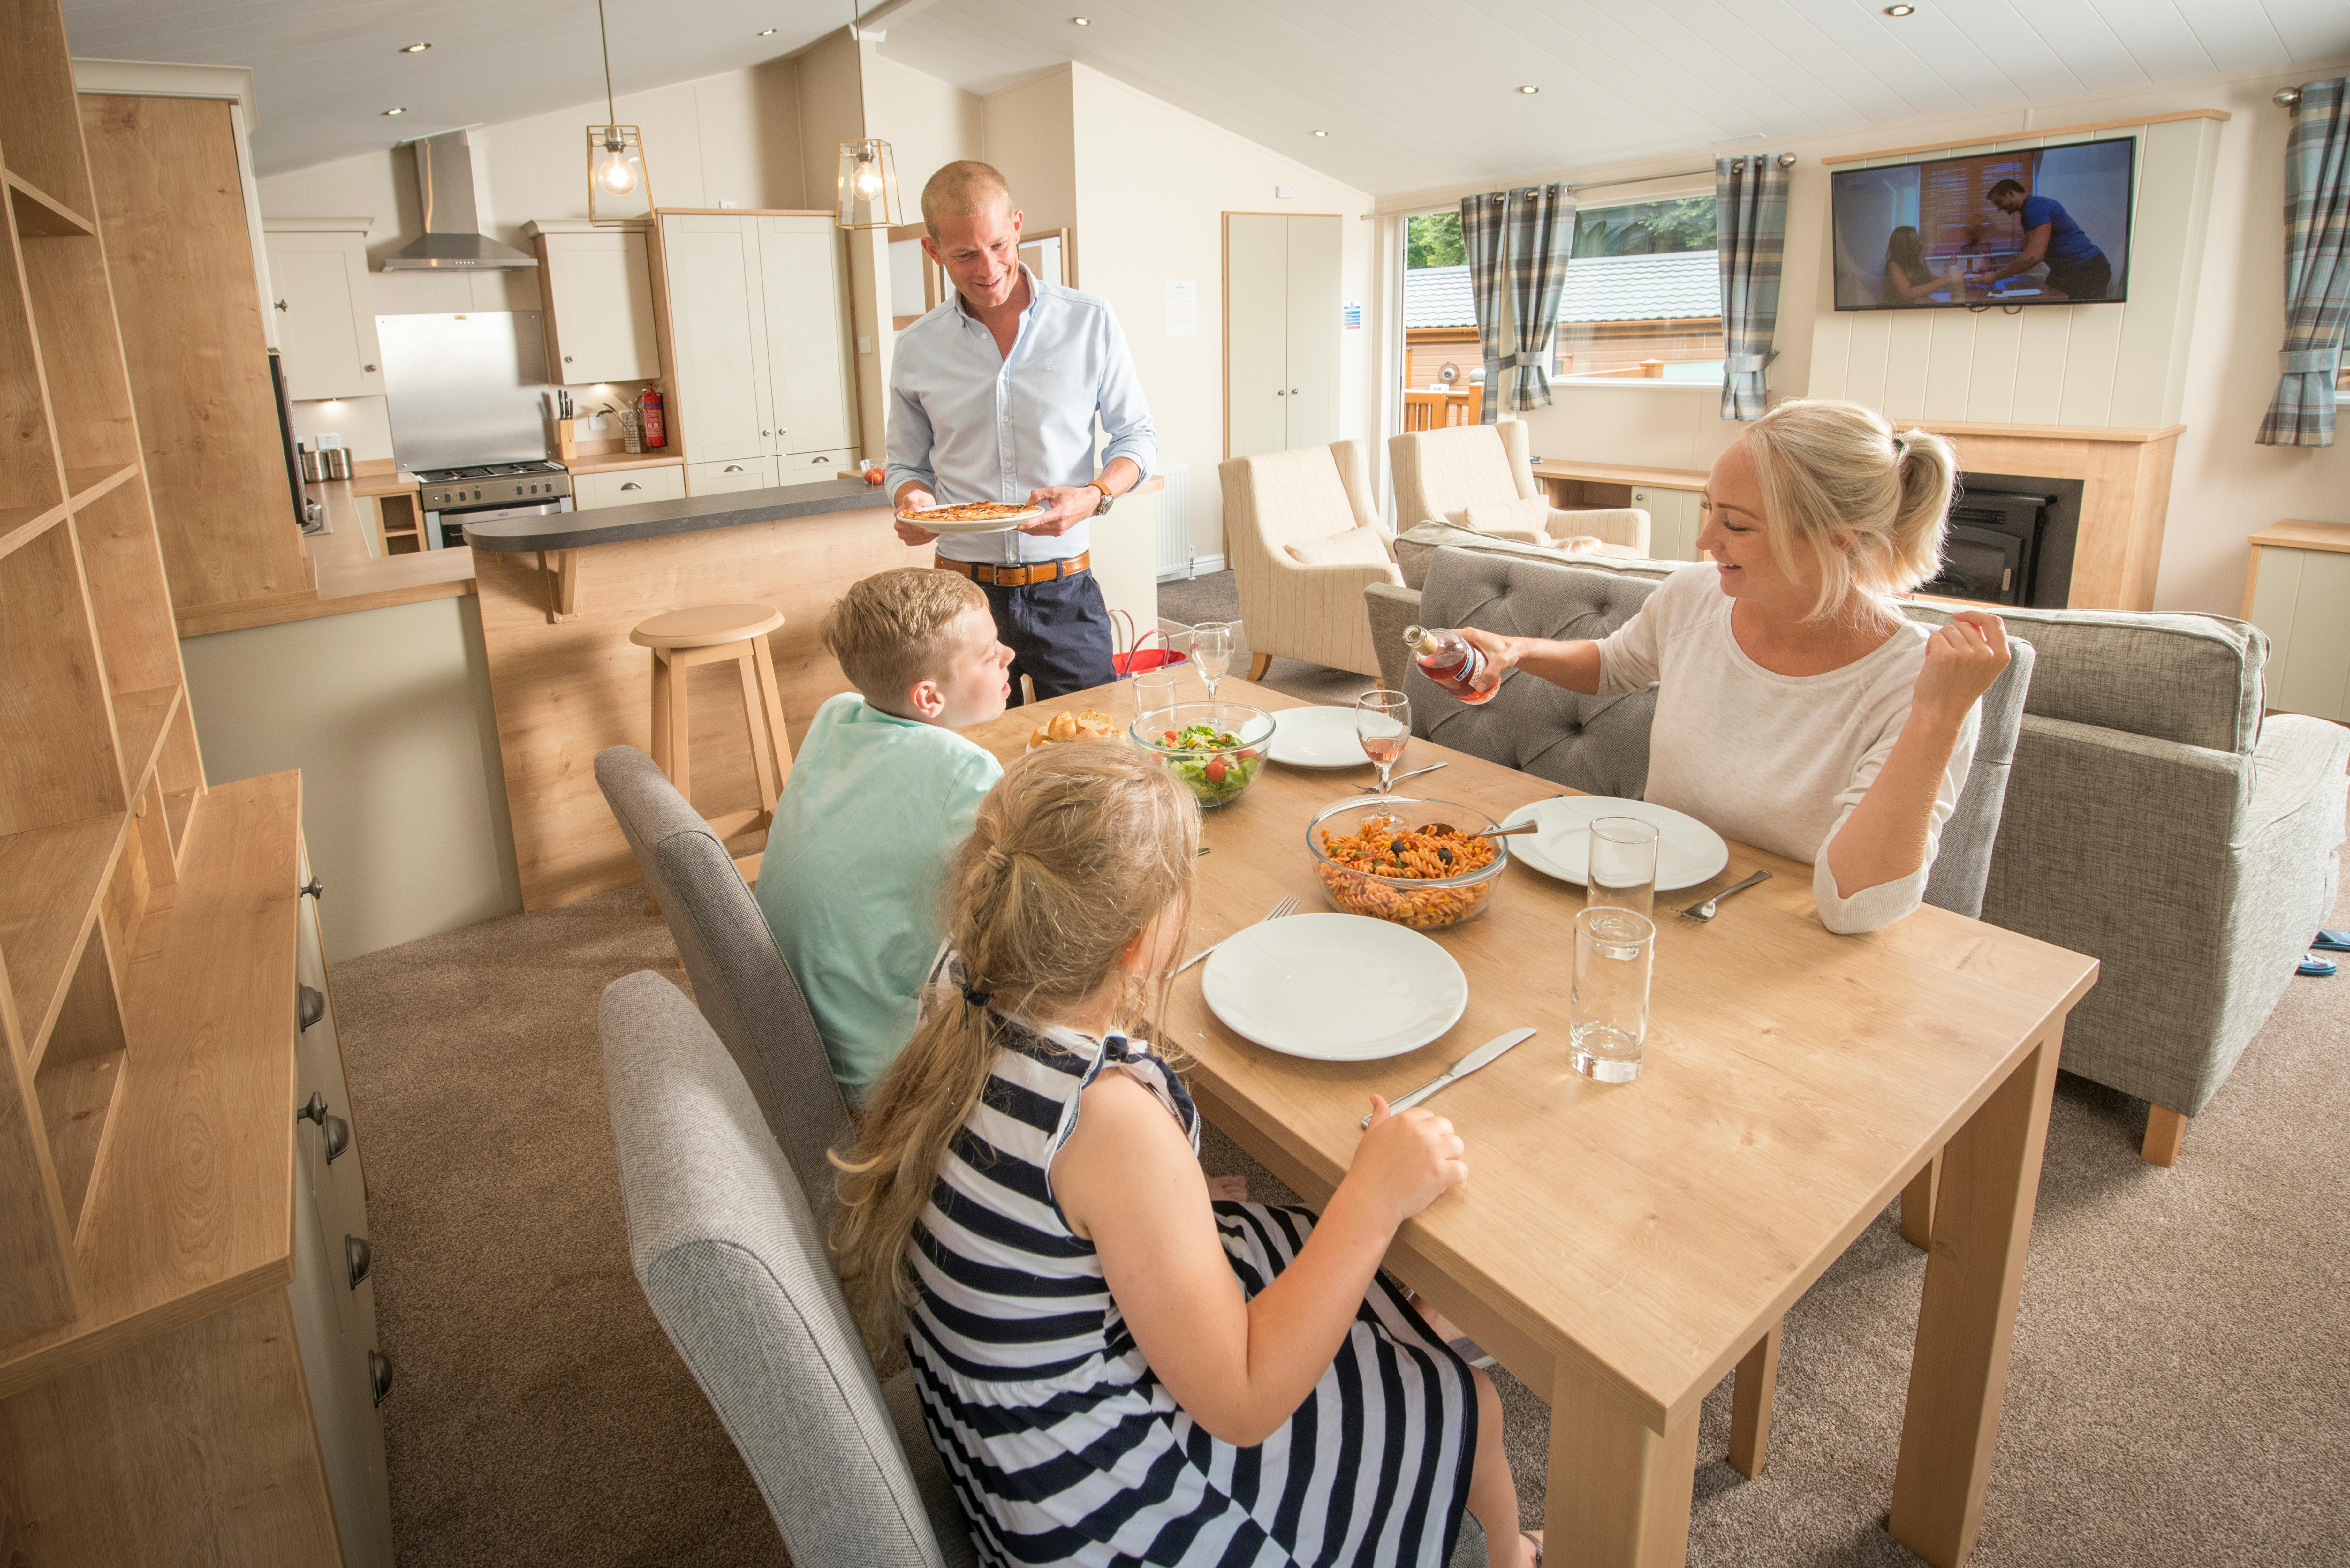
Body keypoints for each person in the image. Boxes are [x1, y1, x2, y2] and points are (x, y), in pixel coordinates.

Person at [830, 744, 1539, 1568]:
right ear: (1138, 944)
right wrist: (1373, 1194)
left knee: (1316, 1260)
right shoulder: (1104, 1121)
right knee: (1465, 1399)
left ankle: (1426, 1384)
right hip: (1120, 1513)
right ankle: (1513, 1551)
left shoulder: (963, 981)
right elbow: (1240, 1402)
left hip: (1013, 1449)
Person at [1456, 398, 2011, 936]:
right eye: (1709, 508)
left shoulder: (1925, 682)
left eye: (1738, 525)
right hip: (1650, 909)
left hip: (1784, 947)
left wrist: (1939, 717)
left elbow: (1854, 911)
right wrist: (1519, 651)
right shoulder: (1697, 595)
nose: (1704, 540)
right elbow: (1616, 664)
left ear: (1839, 539)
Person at [888, 160, 1155, 705]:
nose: (988, 268)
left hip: (1067, 592)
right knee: (981, 762)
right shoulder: (917, 347)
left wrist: (1095, 495)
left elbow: (1138, 438)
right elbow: (907, 466)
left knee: (1095, 757)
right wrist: (911, 500)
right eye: (964, 254)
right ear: (933, 251)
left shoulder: (1090, 321)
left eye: (1001, 246)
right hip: (961, 599)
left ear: (1017, 226)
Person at [753, 567, 1013, 1107]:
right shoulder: (965, 769)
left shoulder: (836, 714)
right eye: (989, 654)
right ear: (928, 697)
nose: (1008, 654)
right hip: (884, 1067)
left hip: (803, 1032)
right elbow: (1021, 887)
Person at [1968, 177, 2111, 300]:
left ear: (2011, 193)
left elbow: (2035, 256)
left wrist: (1996, 276)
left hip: (2086, 269)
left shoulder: (2034, 209)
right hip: (2068, 270)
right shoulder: (2034, 207)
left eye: (1999, 202)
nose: (1999, 209)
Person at [1880, 225, 1957, 305]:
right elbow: (1908, 294)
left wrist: (1951, 280)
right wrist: (1943, 282)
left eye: (1920, 241)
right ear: (1904, 248)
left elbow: (1930, 278)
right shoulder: (1894, 266)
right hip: (1898, 309)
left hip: (1918, 303)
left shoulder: (1918, 259)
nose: (1921, 245)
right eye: (1916, 244)